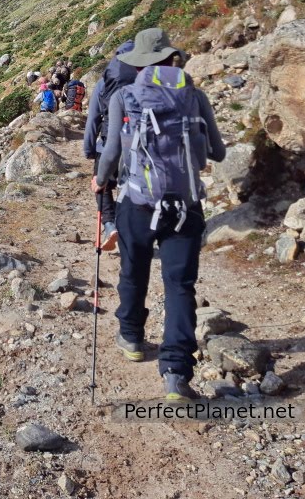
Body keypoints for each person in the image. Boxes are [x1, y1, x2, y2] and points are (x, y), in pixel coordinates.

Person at [94, 28, 226, 400]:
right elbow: (218, 153)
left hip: (137, 203)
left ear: (138, 64)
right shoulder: (194, 96)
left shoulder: (125, 95)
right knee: (180, 287)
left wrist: (100, 181)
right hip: (185, 206)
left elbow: (112, 153)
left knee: (133, 271)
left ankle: (132, 337)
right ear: (171, 59)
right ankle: (176, 374)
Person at [82, 40, 136, 251]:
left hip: (108, 143)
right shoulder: (148, 76)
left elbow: (93, 117)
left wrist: (88, 149)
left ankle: (110, 225)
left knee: (101, 185)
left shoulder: (107, 79)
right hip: (142, 146)